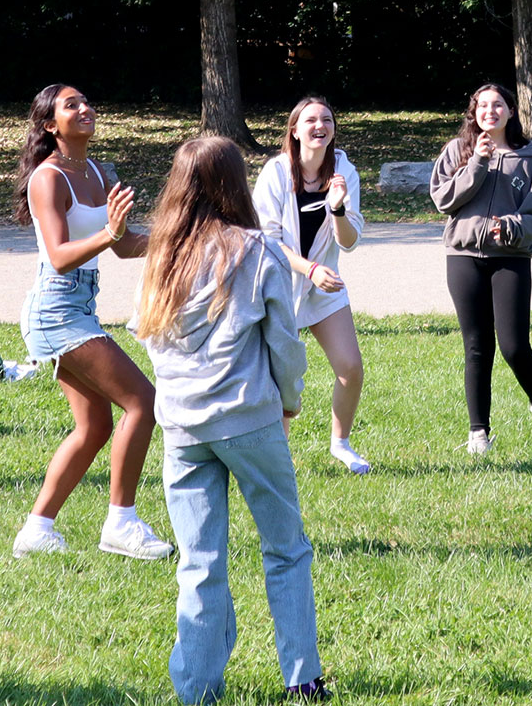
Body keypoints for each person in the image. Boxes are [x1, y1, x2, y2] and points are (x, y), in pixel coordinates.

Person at [135, 136, 325, 704]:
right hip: (249, 420)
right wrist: (289, 399)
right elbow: (285, 343)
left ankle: (195, 688)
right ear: (235, 184)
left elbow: (149, 337)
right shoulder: (257, 251)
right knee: (286, 549)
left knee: (199, 561)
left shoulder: (161, 256)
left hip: (183, 428)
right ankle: (302, 680)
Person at [11, 83, 171, 561]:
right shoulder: (48, 178)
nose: (85, 109)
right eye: (71, 105)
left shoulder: (99, 171)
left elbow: (122, 245)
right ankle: (121, 522)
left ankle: (36, 530)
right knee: (143, 400)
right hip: (55, 308)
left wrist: (178, 235)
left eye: (86, 102)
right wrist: (109, 231)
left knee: (95, 426)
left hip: (81, 307)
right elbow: (60, 257)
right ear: (49, 124)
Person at [429, 82, 532, 454]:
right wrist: (477, 163)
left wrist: (515, 227)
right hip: (464, 256)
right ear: (474, 112)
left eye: (498, 104)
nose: (490, 111)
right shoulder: (458, 151)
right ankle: (479, 433)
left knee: (514, 346)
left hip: (510, 258)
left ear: (511, 111)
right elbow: (444, 199)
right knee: (476, 346)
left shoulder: (529, 157)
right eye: (482, 105)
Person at [251, 96, 370, 475]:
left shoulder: (344, 171)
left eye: (327, 119)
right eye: (311, 120)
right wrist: (310, 268)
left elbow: (349, 241)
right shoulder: (275, 172)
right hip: (276, 287)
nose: (320, 126)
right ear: (295, 130)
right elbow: (266, 241)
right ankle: (277, 460)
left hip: (322, 289)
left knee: (350, 367)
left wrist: (336, 208)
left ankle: (341, 443)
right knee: (280, 380)